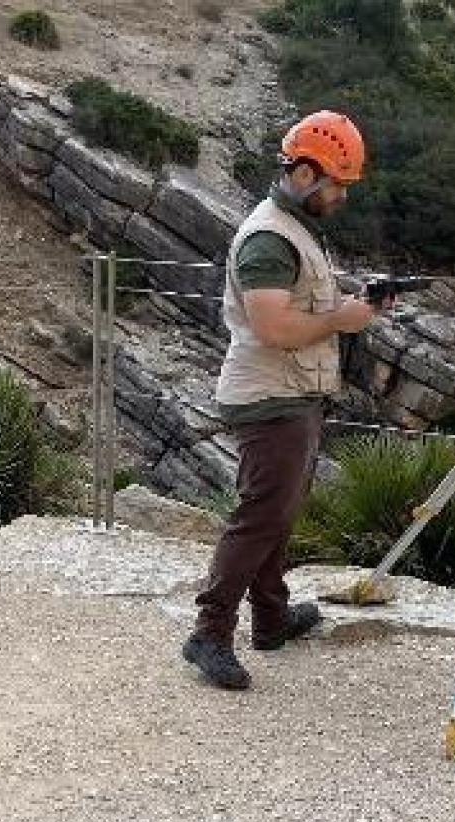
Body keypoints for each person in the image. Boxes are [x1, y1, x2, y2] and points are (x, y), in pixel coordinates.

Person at [182, 110, 389, 690]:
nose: (343, 195)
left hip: (291, 391)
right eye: (338, 182)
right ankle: (209, 631)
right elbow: (273, 328)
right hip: (270, 395)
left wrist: (353, 308)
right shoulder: (269, 240)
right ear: (304, 173)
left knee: (277, 512)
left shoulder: (295, 229)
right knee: (260, 517)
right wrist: (343, 319)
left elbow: (300, 308)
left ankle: (271, 617)